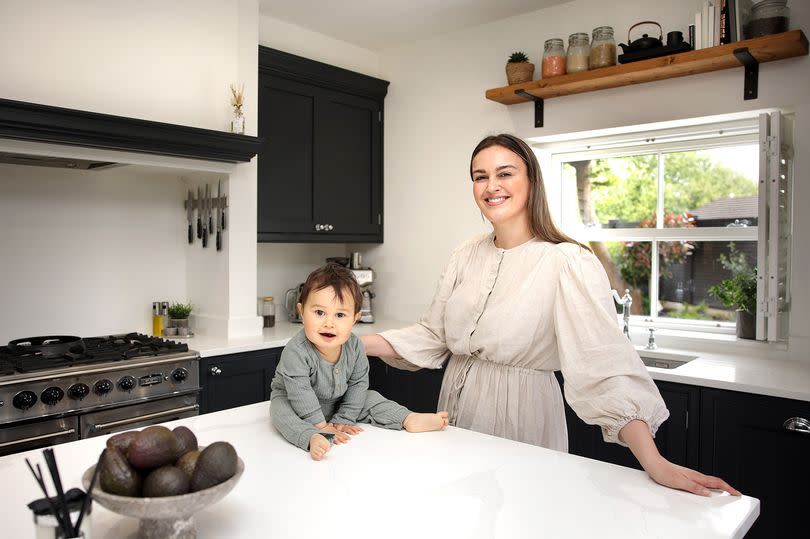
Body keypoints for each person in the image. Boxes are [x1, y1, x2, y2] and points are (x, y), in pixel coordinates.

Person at [361, 133, 740, 496]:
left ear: (531, 181)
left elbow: (605, 368)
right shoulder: (465, 254)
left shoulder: (567, 262)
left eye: (505, 173)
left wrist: (654, 462)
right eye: (481, 176)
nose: (491, 185)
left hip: (522, 417)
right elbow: (433, 335)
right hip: (455, 412)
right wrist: (346, 340)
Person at [270, 263, 449, 461]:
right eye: (319, 313)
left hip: (337, 401)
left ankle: (407, 418)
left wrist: (344, 417)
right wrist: (321, 426)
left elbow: (358, 383)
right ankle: (310, 437)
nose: (329, 323)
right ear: (302, 311)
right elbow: (300, 393)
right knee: (280, 411)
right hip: (295, 402)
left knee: (370, 397)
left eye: (340, 315)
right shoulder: (296, 351)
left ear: (355, 318)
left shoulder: (355, 347)